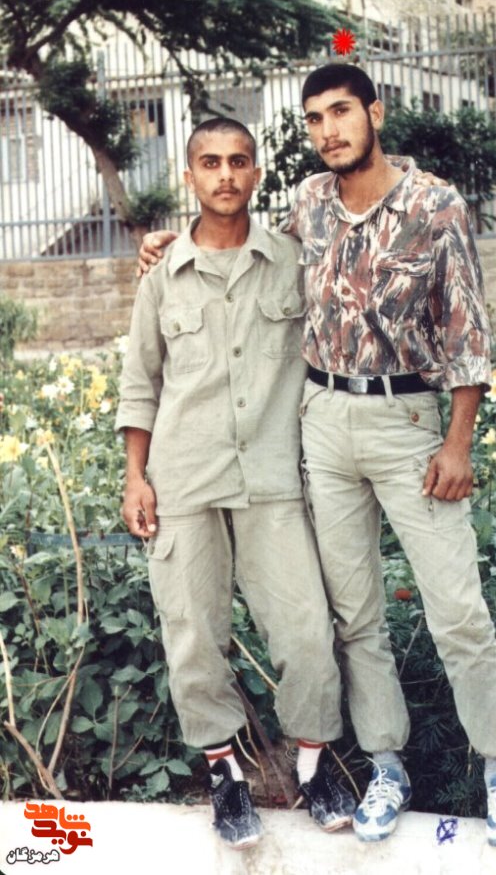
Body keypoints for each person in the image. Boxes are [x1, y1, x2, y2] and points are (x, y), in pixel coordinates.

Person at [139, 68, 496, 850]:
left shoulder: (434, 204)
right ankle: (385, 765)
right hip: (321, 423)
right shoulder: (310, 204)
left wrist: (457, 442)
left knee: (457, 608)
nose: (329, 130)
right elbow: (232, 246)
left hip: (408, 422)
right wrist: (164, 242)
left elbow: (468, 332)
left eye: (342, 112)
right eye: (315, 118)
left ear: (373, 113)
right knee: (354, 617)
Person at [116, 117, 355, 852]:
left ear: (255, 173)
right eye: (211, 162)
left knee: (306, 631)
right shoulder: (162, 274)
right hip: (183, 478)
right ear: (189, 176)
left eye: (239, 161)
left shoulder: (291, 260)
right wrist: (134, 477)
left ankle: (313, 767)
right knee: (193, 633)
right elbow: (140, 382)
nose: (225, 174)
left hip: (271, 478)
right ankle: (224, 776)